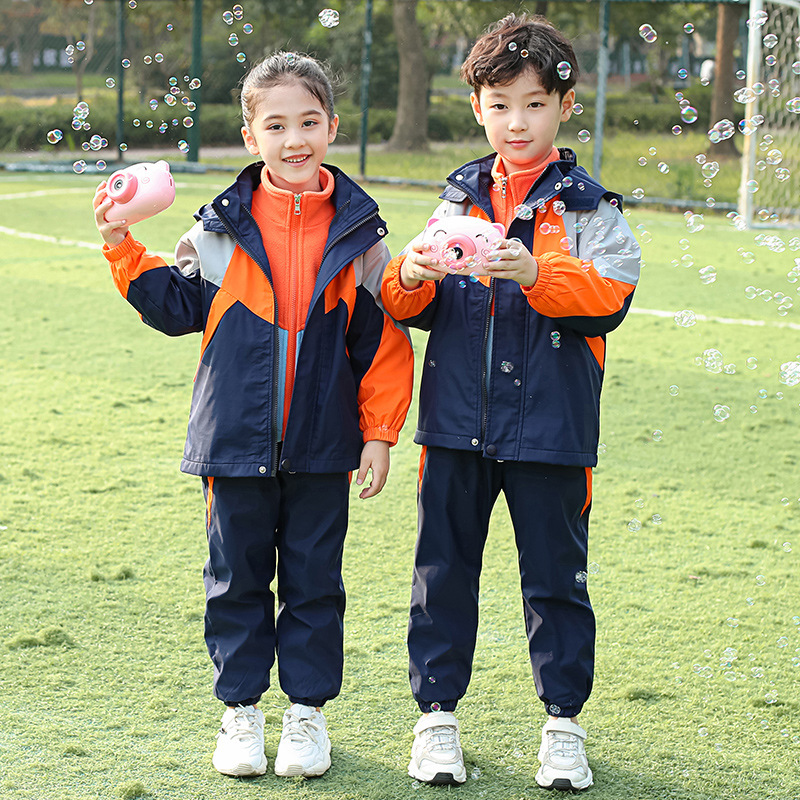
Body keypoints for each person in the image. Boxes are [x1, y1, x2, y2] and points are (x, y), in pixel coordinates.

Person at [93, 51, 413, 779]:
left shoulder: (363, 239)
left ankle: (306, 716)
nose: (293, 138)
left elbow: (385, 347)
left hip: (325, 449)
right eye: (276, 124)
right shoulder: (217, 231)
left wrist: (380, 433)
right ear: (250, 136)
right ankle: (239, 714)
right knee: (234, 580)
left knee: (313, 583)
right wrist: (120, 242)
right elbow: (174, 309)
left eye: (307, 121)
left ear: (332, 126)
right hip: (232, 448)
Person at [381, 14, 640, 792]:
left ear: (565, 104)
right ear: (477, 108)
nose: (516, 122)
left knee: (556, 579)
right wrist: (413, 273)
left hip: (555, 430)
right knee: (442, 572)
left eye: (533, 103)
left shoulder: (593, 210)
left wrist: (536, 273)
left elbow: (611, 298)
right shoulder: (456, 195)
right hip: (455, 425)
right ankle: (436, 722)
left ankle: (563, 726)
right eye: (499, 105)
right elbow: (404, 302)